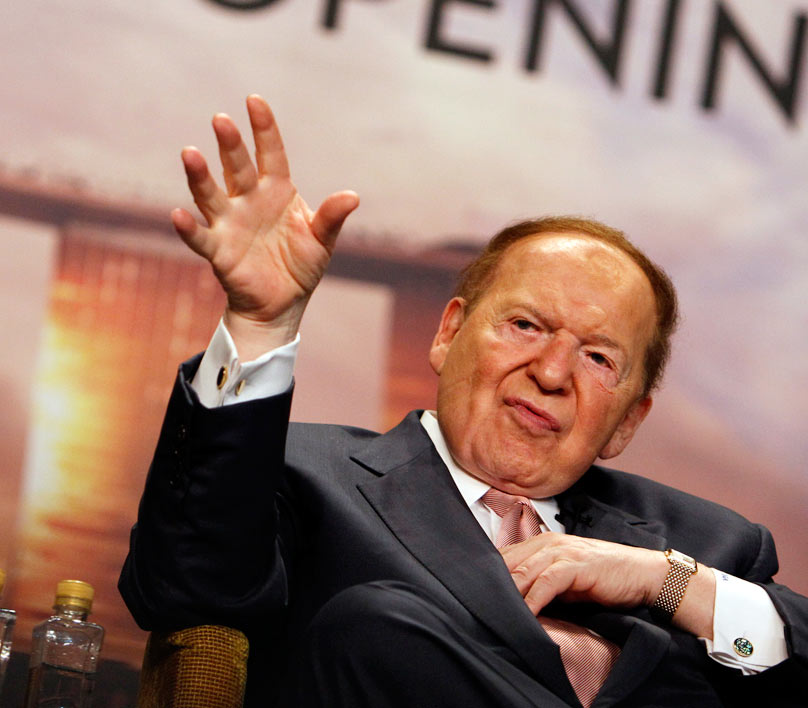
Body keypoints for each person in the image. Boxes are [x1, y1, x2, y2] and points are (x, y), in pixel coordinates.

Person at [119, 95, 807, 707]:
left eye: (598, 358)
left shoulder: (708, 544)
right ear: (449, 333)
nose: (552, 372)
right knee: (377, 628)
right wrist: (260, 326)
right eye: (526, 325)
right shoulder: (305, 475)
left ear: (627, 421)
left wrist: (667, 584)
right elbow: (185, 590)